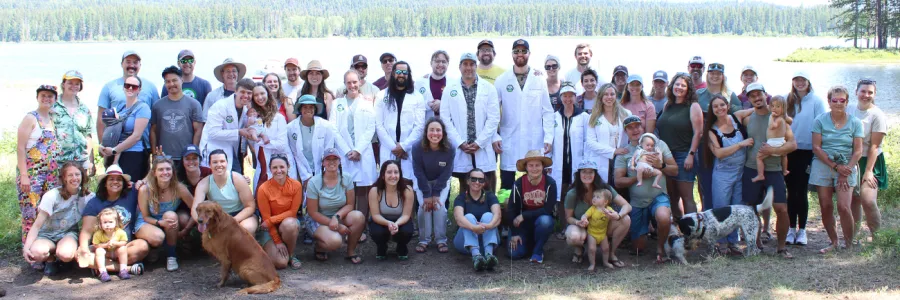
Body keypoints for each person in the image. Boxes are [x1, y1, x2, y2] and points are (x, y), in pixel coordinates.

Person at [739, 83, 797, 259]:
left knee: (781, 208)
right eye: (752, 96)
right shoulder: (747, 118)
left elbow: (793, 144)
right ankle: (755, 244)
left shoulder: (779, 118)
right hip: (751, 168)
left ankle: (781, 247)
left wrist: (773, 151)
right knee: (751, 209)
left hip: (774, 169)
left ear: (766, 95)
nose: (756, 98)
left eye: (759, 94)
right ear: (748, 99)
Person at [613, 115, 677, 262]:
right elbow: (618, 181)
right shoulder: (625, 152)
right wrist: (638, 178)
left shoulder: (659, 145)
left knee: (663, 216)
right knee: (637, 249)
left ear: (643, 128)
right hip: (637, 201)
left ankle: (661, 247)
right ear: (625, 131)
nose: (635, 130)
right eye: (630, 128)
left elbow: (675, 170)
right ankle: (643, 233)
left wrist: (660, 166)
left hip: (658, 195)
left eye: (637, 126)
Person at [493, 39, 554, 191]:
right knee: (507, 183)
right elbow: (493, 111)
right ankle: (507, 213)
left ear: (529, 54)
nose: (520, 54)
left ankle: (534, 213)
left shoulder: (539, 79)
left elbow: (547, 111)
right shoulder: (502, 80)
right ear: (512, 54)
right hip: (509, 138)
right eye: (516, 51)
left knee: (534, 181)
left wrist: (548, 138)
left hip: (534, 139)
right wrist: (495, 136)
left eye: (523, 51)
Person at [811, 85, 864, 254]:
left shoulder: (855, 122)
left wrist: (846, 169)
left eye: (842, 100)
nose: (839, 103)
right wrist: (835, 166)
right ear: (829, 101)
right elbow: (816, 148)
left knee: (843, 206)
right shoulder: (820, 120)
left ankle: (848, 244)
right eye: (835, 100)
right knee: (826, 205)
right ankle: (834, 242)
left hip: (848, 165)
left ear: (847, 102)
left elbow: (858, 151)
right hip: (823, 163)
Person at [440, 52, 500, 197]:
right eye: (465, 64)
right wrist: (459, 143)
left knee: (487, 186)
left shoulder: (488, 88)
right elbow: (445, 119)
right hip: (462, 146)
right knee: (464, 187)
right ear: (459, 67)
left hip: (482, 146)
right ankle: (463, 217)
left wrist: (480, 142)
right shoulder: (450, 89)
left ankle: (491, 217)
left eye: (472, 64)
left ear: (476, 66)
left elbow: (493, 118)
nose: (469, 68)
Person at [701, 95, 753, 255]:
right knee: (722, 208)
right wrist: (741, 144)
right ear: (712, 110)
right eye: (715, 106)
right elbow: (720, 153)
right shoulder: (711, 130)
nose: (720, 109)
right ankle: (721, 242)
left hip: (740, 172)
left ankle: (734, 242)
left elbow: (758, 109)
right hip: (722, 174)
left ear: (728, 106)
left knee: (737, 207)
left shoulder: (736, 118)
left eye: (722, 105)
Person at [78, 165, 150, 276]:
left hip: (123, 246)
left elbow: (149, 184)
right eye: (111, 179)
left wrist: (139, 182)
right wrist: (83, 248)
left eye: (119, 179)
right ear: (105, 183)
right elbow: (86, 230)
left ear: (124, 183)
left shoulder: (132, 194)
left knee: (143, 246)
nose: (115, 182)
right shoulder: (94, 203)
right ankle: (127, 268)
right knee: (78, 254)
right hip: (102, 248)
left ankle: (101, 266)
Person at [22, 162, 92, 275]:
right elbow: (37, 225)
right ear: (64, 178)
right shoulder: (52, 195)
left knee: (66, 254)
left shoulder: (88, 197)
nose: (74, 178)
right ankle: (51, 259)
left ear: (82, 176)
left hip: (68, 233)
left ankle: (65, 256)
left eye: (77, 174)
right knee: (37, 252)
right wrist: (26, 247)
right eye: (70, 175)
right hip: (46, 234)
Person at [783, 71, 828, 246]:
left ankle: (802, 230)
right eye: (796, 80)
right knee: (790, 190)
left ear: (808, 82)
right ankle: (790, 229)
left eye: (803, 80)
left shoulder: (816, 100)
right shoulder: (787, 99)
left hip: (807, 151)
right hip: (788, 150)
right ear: (792, 82)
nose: (800, 83)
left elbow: (822, 124)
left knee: (801, 191)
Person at [565, 160, 631, 269]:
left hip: (602, 226)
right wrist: (578, 222)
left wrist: (618, 215)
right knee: (574, 236)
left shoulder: (605, 189)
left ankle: (611, 253)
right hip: (582, 227)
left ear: (595, 174)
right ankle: (579, 249)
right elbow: (568, 218)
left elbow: (627, 206)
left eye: (590, 172)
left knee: (626, 219)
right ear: (578, 174)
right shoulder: (572, 193)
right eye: (584, 172)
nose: (587, 175)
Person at [18, 85, 62, 247]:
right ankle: (29, 250)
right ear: (37, 97)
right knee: (30, 212)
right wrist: (24, 175)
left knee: (48, 212)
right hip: (33, 175)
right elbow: (21, 147)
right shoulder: (31, 118)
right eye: (43, 95)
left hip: (51, 175)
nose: (46, 99)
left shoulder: (53, 119)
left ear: (55, 99)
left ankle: (44, 249)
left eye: (50, 96)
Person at [306, 148, 366, 264]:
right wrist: (336, 226)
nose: (331, 162)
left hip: (338, 216)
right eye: (328, 159)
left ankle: (351, 252)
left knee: (358, 216)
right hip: (318, 219)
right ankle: (319, 246)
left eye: (335, 159)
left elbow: (350, 204)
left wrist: (336, 217)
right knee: (335, 241)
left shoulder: (347, 178)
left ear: (339, 161)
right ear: (323, 163)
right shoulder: (314, 182)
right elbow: (313, 212)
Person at [135, 157, 195, 272]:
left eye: (168, 169)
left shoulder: (179, 188)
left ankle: (171, 256)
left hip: (166, 220)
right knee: (158, 237)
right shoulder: (145, 190)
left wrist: (186, 229)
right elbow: (145, 216)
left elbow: (196, 210)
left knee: (172, 216)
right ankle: (154, 248)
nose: (165, 172)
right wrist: (159, 223)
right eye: (161, 170)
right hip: (147, 221)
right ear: (154, 172)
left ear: (172, 171)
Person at [331, 70, 377, 216]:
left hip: (363, 152)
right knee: (346, 189)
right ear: (344, 84)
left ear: (360, 83)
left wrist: (358, 150)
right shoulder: (336, 103)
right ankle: (346, 222)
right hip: (345, 153)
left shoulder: (367, 103)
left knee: (363, 190)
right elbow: (333, 129)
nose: (352, 85)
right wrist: (347, 150)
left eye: (355, 82)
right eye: (349, 82)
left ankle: (361, 224)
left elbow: (371, 128)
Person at [657, 73, 703, 217]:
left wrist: (691, 154)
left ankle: (694, 232)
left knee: (687, 197)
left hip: (684, 155)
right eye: (677, 84)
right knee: (672, 197)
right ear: (672, 86)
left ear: (689, 88)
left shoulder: (693, 106)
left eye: (683, 85)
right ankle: (679, 228)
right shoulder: (667, 105)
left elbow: (698, 133)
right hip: (666, 156)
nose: (679, 87)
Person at [375, 61, 426, 182]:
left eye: (404, 72)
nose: (401, 75)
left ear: (409, 75)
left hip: (408, 149)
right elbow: (379, 125)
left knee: (408, 184)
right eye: (398, 72)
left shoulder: (417, 97)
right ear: (393, 73)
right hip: (388, 148)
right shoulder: (382, 96)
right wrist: (395, 148)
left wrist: (403, 146)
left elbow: (419, 126)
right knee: (388, 183)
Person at [411, 118, 456, 253]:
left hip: (441, 182)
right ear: (426, 132)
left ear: (443, 133)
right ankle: (424, 239)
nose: (435, 134)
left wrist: (435, 193)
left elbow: (447, 173)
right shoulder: (417, 147)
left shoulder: (450, 148)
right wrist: (426, 194)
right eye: (431, 130)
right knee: (424, 207)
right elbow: (418, 172)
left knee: (439, 207)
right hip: (422, 181)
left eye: (438, 130)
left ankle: (441, 239)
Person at [849, 79, 885, 242]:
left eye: (870, 92)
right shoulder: (849, 109)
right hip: (852, 159)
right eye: (863, 91)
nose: (866, 95)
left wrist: (868, 171)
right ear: (856, 92)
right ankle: (853, 237)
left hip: (871, 160)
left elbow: (874, 146)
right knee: (854, 200)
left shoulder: (877, 115)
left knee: (868, 200)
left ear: (875, 94)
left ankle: (876, 239)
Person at [151, 66, 205, 175]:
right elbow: (153, 130)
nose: (171, 84)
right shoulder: (157, 105)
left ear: (182, 80)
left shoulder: (194, 104)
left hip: (186, 157)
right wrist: (154, 154)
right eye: (168, 81)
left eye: (174, 80)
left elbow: (198, 130)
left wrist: (193, 154)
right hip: (164, 158)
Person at [506, 150, 557, 263]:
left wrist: (525, 215)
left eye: (537, 165)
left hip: (540, 220)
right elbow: (511, 209)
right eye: (531, 165)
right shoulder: (519, 183)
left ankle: (538, 251)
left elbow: (548, 210)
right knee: (514, 254)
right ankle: (529, 242)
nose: (534, 168)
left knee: (545, 221)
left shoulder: (550, 183)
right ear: (526, 167)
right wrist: (515, 233)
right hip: (521, 224)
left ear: (543, 166)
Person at [550, 84, 588, 231]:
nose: (567, 98)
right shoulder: (554, 117)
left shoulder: (583, 117)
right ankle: (563, 226)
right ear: (560, 98)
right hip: (559, 163)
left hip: (577, 162)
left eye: (570, 95)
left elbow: (586, 141)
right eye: (564, 95)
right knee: (561, 194)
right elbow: (549, 141)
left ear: (575, 97)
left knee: (577, 193)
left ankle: (578, 225)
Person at [191, 149, 258, 234]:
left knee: (246, 228)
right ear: (209, 165)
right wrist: (202, 221)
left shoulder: (237, 179)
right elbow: (194, 208)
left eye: (222, 161)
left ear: (227, 163)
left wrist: (232, 221)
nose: (219, 165)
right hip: (218, 216)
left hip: (241, 214)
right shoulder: (204, 184)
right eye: (215, 162)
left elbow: (250, 206)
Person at [98, 75, 151, 182]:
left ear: (139, 90)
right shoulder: (121, 109)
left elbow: (136, 136)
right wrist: (102, 146)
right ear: (123, 87)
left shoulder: (143, 108)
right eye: (128, 85)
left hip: (133, 155)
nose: (130, 88)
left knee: (130, 190)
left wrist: (114, 150)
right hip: (116, 155)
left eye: (134, 87)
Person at [288, 94, 351, 184]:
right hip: (301, 172)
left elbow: (328, 152)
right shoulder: (290, 128)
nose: (308, 110)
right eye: (305, 107)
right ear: (300, 109)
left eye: (311, 107)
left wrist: (322, 174)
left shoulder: (326, 126)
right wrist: (305, 176)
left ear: (315, 109)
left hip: (323, 170)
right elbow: (295, 154)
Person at [198, 78, 256, 174]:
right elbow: (213, 133)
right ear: (236, 91)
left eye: (249, 93)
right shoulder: (220, 106)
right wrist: (238, 132)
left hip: (232, 151)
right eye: (242, 92)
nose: (246, 96)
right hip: (213, 149)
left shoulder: (247, 109)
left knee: (236, 180)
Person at [96, 51, 159, 138]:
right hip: (115, 143)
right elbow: (101, 119)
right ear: (122, 64)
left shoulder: (150, 87)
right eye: (128, 62)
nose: (132, 66)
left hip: (143, 145)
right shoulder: (109, 87)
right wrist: (102, 144)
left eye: (135, 62)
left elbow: (156, 119)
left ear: (140, 65)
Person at [256, 155, 303, 269]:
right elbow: (266, 218)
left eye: (282, 167)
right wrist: (277, 241)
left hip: (286, 224)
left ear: (288, 167)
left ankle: (291, 254)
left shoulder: (296, 185)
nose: (278, 171)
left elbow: (292, 212)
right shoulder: (263, 188)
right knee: (281, 263)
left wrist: (272, 220)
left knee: (290, 224)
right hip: (269, 228)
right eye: (274, 167)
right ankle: (272, 248)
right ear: (270, 169)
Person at [247, 83, 296, 189]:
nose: (260, 97)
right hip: (262, 166)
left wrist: (260, 141)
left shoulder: (279, 118)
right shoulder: (254, 117)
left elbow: (282, 145)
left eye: (262, 93)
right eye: (256, 95)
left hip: (278, 167)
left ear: (268, 94)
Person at [452, 168, 501, 271]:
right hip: (465, 243)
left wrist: (489, 225)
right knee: (468, 217)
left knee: (489, 215)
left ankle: (489, 255)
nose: (477, 182)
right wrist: (473, 227)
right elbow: (458, 218)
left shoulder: (490, 196)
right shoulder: (461, 198)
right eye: (473, 179)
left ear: (484, 183)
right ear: (468, 181)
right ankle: (476, 256)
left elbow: (497, 216)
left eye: (481, 180)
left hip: (486, 240)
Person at [368, 160, 415, 260]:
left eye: (396, 172)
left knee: (407, 231)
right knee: (377, 231)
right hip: (381, 221)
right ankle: (382, 246)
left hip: (401, 221)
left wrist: (396, 224)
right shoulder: (375, 191)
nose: (393, 176)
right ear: (382, 175)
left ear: (400, 175)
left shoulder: (408, 190)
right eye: (389, 172)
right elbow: (375, 215)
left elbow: (406, 215)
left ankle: (401, 247)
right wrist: (389, 223)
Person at [585, 83, 631, 183]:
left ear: (616, 96)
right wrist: (613, 151)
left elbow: (632, 134)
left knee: (620, 189)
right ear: (601, 96)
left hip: (621, 159)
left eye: (612, 94)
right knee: (603, 190)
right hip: (601, 159)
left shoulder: (626, 114)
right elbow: (590, 143)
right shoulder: (593, 117)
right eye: (606, 94)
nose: (609, 97)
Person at [54, 70, 95, 175]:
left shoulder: (84, 109)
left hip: (80, 161)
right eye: (70, 83)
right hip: (58, 161)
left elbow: (88, 136)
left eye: (77, 84)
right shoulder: (53, 106)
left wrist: (91, 161)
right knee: (58, 191)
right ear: (63, 84)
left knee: (80, 191)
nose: (74, 86)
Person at [751, 96, 792, 182]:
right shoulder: (784, 118)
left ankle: (760, 175)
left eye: (778, 106)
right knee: (784, 156)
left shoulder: (778, 119)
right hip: (781, 142)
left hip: (773, 142)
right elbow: (791, 121)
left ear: (783, 108)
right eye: (772, 106)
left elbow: (772, 126)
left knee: (759, 157)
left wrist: (771, 117)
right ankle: (784, 170)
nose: (774, 109)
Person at [580, 189, 615, 271]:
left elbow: (614, 216)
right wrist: (583, 218)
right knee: (592, 249)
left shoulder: (609, 209)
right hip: (592, 233)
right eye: (594, 196)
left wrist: (609, 214)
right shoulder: (592, 209)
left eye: (598, 197)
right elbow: (585, 215)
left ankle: (605, 262)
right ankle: (592, 264)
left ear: (605, 202)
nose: (594, 199)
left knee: (606, 249)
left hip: (603, 234)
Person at [92, 208, 130, 282]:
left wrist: (116, 243)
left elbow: (124, 242)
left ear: (116, 222)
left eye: (110, 222)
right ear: (100, 224)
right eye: (105, 222)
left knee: (123, 248)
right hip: (106, 254)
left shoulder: (120, 232)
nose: (108, 225)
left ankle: (123, 269)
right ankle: (103, 272)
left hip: (116, 252)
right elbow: (95, 245)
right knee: (99, 250)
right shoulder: (98, 234)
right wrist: (106, 245)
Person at [415, 50, 450, 119]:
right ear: (431, 63)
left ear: (448, 64)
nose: (440, 64)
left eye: (444, 61)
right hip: (426, 126)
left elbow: (458, 105)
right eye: (437, 61)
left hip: (447, 126)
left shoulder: (454, 83)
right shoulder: (420, 83)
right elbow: (413, 104)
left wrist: (442, 104)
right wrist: (428, 105)